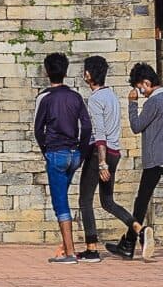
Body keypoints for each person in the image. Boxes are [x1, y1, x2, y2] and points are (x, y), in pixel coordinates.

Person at [112, 62, 163, 262]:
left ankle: (129, 243)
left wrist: (132, 104)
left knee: (141, 201)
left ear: (147, 83)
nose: (140, 92)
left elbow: (137, 126)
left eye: (140, 87)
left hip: (155, 158)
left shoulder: (153, 103)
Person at [30, 51, 94, 263]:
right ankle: (65, 247)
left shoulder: (45, 98)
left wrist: (46, 151)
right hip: (74, 153)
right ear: (65, 72)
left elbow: (38, 129)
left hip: (56, 152)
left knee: (60, 204)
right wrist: (81, 153)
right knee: (63, 198)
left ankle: (69, 252)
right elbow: (86, 126)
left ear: (47, 72)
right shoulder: (75, 97)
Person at [77, 56, 131, 257]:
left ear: (89, 74)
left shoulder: (95, 99)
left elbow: (100, 134)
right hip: (114, 151)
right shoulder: (112, 96)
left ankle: (91, 248)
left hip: (101, 154)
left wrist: (101, 163)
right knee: (107, 201)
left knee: (85, 200)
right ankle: (138, 229)